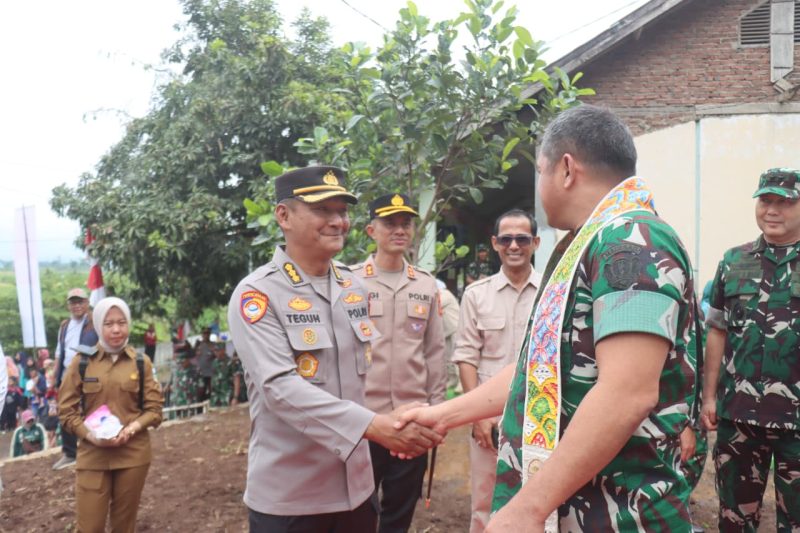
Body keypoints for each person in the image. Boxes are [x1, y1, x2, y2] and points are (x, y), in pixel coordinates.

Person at [397, 105, 699, 532]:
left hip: (613, 514)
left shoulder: (631, 243)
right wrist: (444, 415)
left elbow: (627, 392)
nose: (539, 187)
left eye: (539, 171)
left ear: (566, 169)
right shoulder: (588, 242)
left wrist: (527, 509)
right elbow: (540, 372)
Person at [228, 166, 443, 532]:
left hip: (357, 492)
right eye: (322, 210)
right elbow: (280, 389)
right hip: (293, 496)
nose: (337, 221)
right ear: (283, 216)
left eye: (341, 211)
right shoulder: (258, 294)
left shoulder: (353, 286)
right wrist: (376, 426)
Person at [701, 167, 800, 532]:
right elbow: (717, 331)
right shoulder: (733, 261)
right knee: (734, 520)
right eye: (766, 200)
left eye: (785, 202)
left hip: (797, 422)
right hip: (738, 418)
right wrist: (709, 396)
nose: (772, 210)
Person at [350, 193, 446, 532]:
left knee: (399, 511)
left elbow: (434, 352)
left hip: (412, 419)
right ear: (370, 231)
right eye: (389, 223)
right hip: (364, 419)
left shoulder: (425, 284)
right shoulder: (349, 282)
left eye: (406, 223)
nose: (399, 229)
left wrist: (437, 412)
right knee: (357, 510)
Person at [452, 209, 542, 533]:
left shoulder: (553, 294)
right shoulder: (477, 295)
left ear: (536, 242)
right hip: (490, 420)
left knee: (541, 502)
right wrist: (477, 417)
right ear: (495, 243)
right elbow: (466, 357)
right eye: (506, 239)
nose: (514, 245)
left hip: (541, 416)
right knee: (485, 504)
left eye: (522, 238)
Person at [58, 296, 163, 533]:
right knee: (90, 527)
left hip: (133, 455)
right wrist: (90, 435)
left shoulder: (141, 362)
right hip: (93, 455)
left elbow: (155, 410)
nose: (116, 329)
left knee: (123, 526)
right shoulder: (82, 362)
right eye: (109, 323)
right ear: (97, 325)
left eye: (122, 322)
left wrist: (132, 429)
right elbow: (66, 411)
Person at [53, 288, 99, 470]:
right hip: (67, 374)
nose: (77, 305)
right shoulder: (64, 326)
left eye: (80, 302)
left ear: (87, 303)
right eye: (73, 302)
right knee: (66, 411)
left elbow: (100, 346)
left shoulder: (94, 322)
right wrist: (55, 376)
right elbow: (59, 352)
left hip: (89, 372)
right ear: (69, 305)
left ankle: (95, 448)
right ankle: (70, 453)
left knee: (91, 409)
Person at [436, 278, 462, 394]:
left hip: (455, 329)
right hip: (446, 331)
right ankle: (452, 380)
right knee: (447, 357)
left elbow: (435, 305)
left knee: (457, 357)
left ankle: (461, 384)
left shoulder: (444, 295)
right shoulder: (439, 295)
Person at [193, 327, 215, 401]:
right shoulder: (198, 345)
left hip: (211, 373)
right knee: (200, 392)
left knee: (211, 391)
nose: (206, 335)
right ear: (202, 334)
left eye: (207, 333)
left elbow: (217, 355)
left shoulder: (213, 345)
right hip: (201, 373)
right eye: (204, 333)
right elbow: (192, 356)